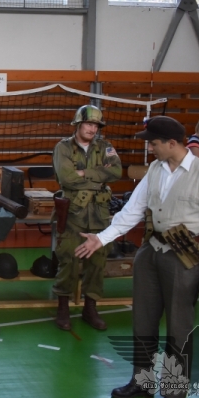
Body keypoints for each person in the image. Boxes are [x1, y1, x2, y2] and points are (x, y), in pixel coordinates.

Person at [76, 116, 199, 398]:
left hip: (184, 256)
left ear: (172, 143)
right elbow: (132, 210)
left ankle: (174, 396)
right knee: (143, 322)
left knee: (178, 330)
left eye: (153, 143)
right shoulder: (155, 169)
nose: (150, 148)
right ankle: (143, 382)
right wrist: (101, 238)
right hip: (151, 251)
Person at [52, 105, 122, 331]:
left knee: (98, 261)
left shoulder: (105, 147)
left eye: (96, 125)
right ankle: (63, 307)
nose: (92, 129)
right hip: (73, 213)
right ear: (78, 124)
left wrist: (85, 173)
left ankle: (90, 308)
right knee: (68, 259)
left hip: (99, 214)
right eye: (89, 124)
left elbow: (117, 172)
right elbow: (66, 178)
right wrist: (99, 176)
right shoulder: (63, 148)